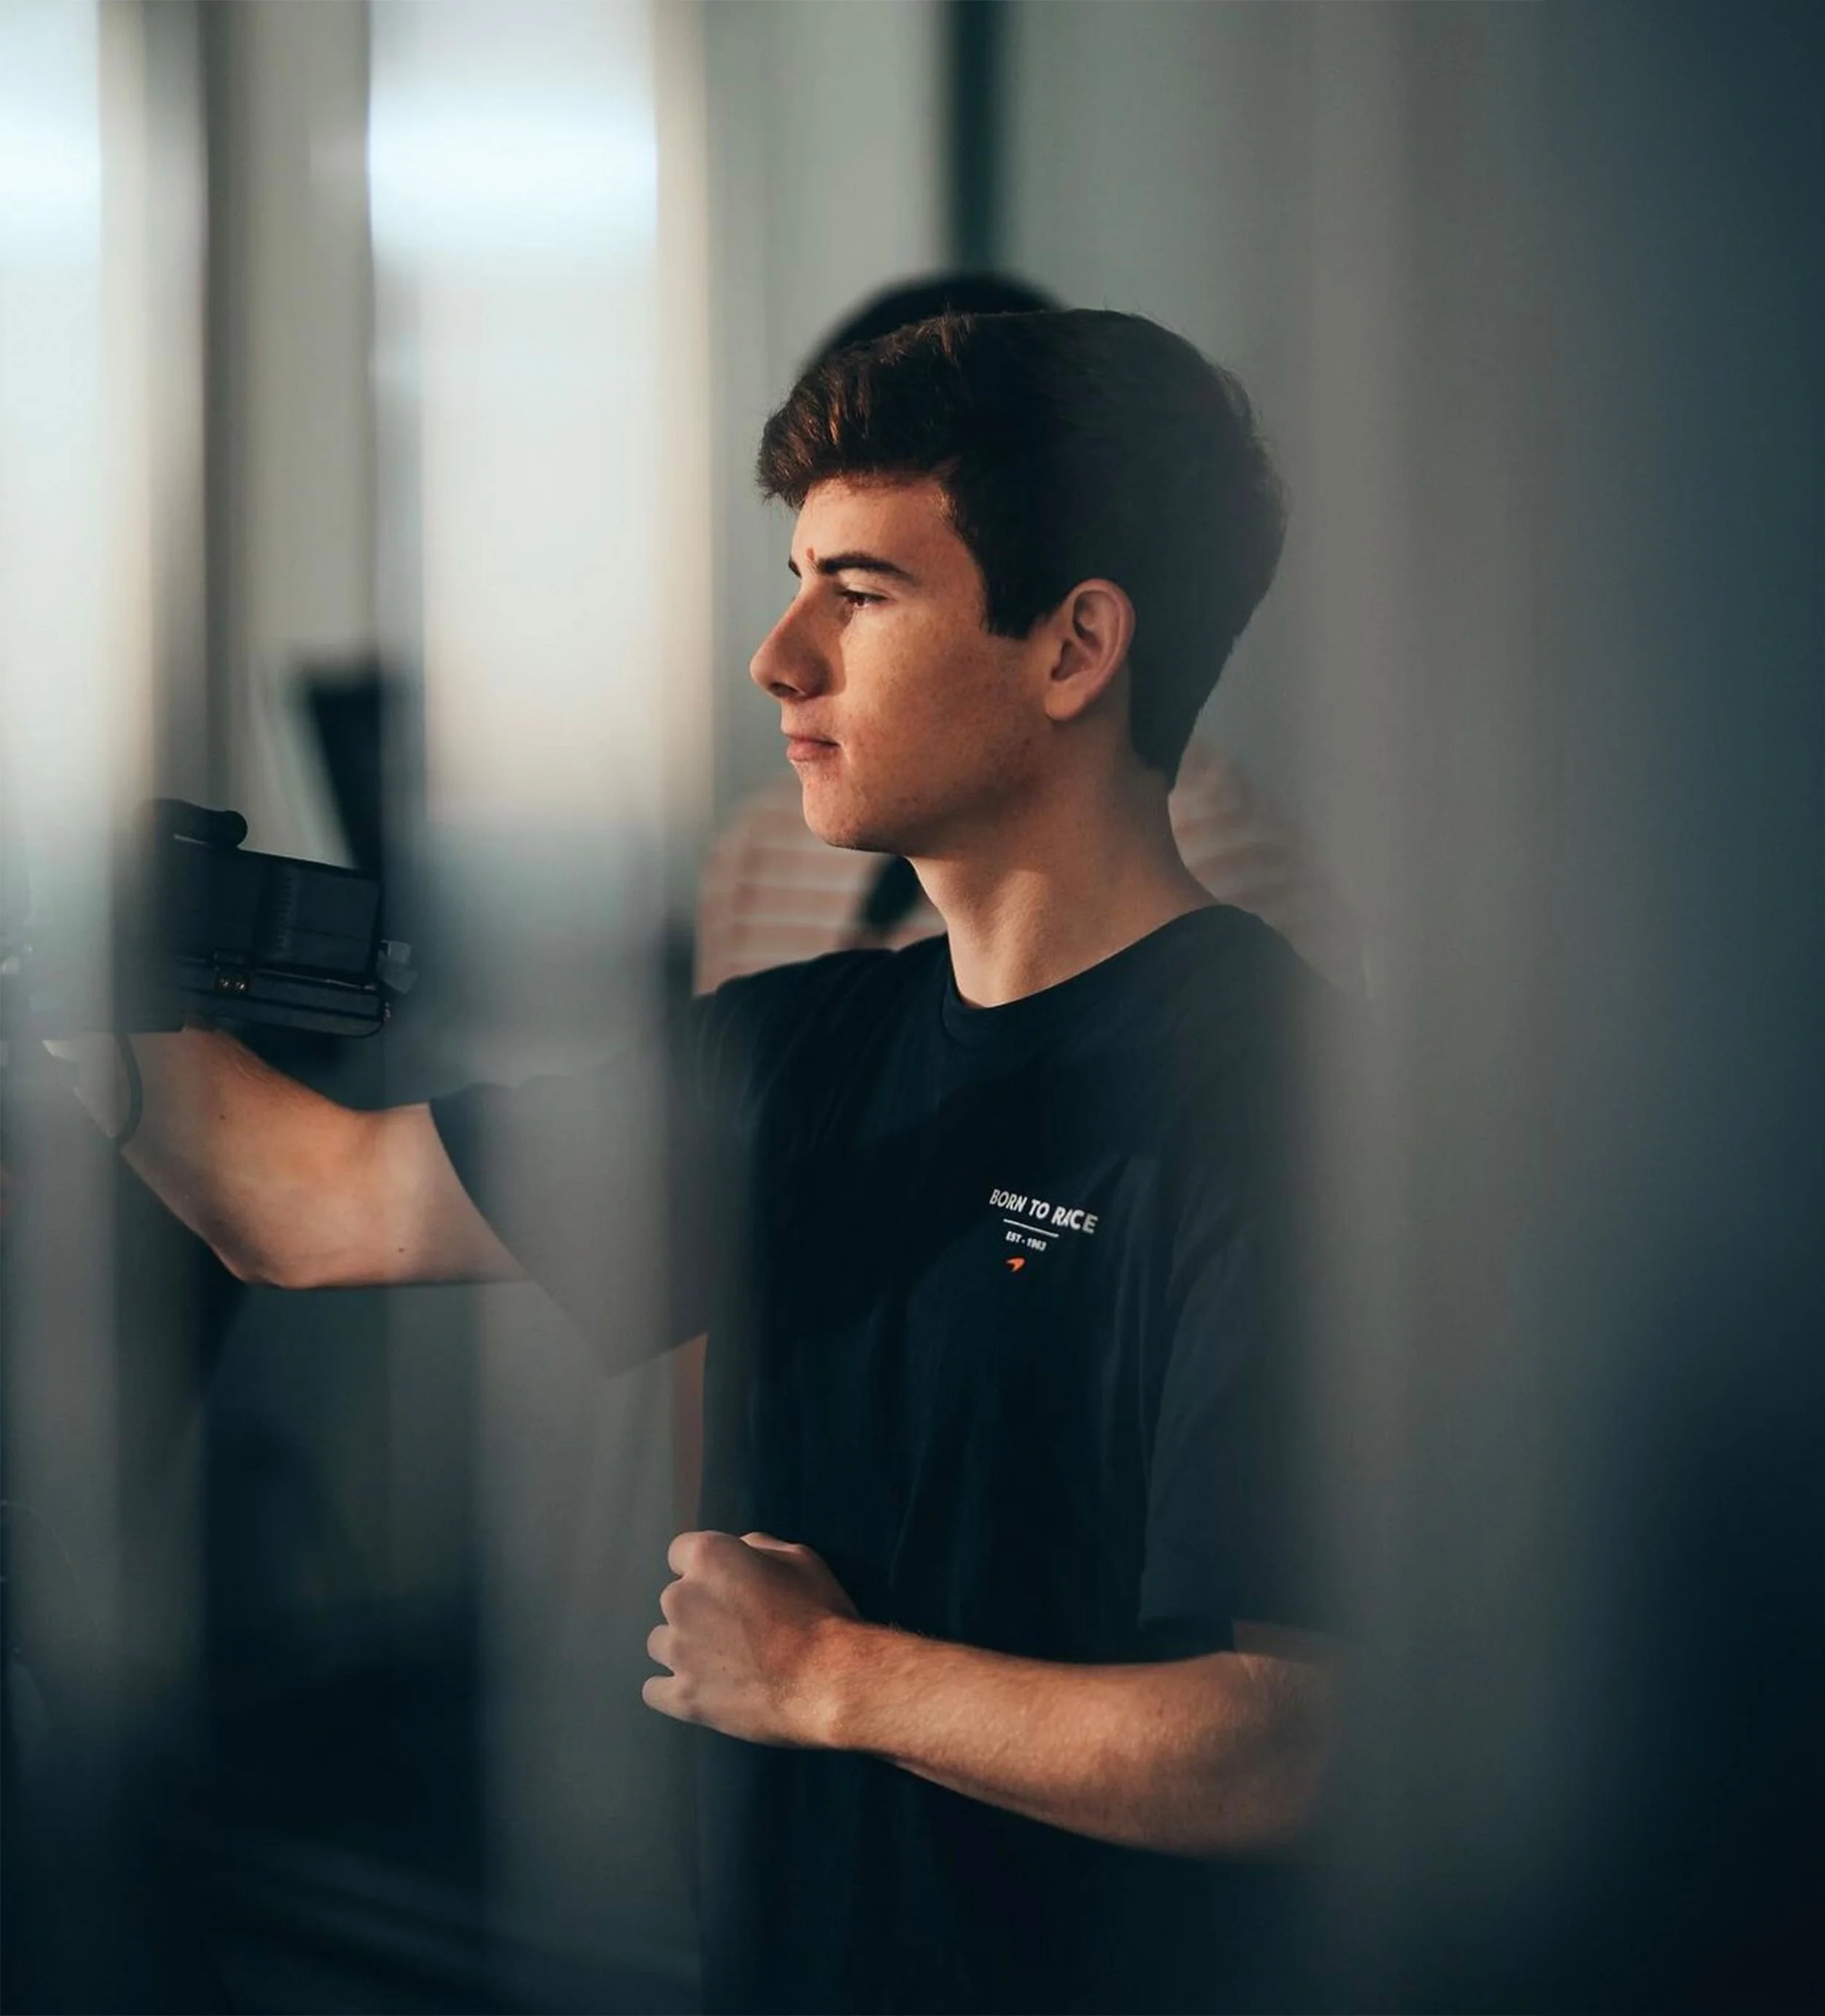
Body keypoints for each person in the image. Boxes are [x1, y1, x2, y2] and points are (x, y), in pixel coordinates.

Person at [61, 308, 1345, 2013]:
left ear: (1073, 646)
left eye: (860, 592)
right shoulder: (789, 1049)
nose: (779, 654)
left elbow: (1291, 1744)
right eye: (795, 577)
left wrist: (832, 1678)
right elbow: (299, 1205)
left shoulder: (1268, 1089)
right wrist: (66, 954)